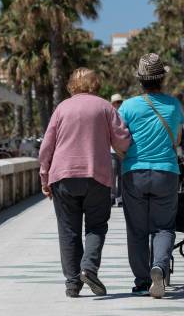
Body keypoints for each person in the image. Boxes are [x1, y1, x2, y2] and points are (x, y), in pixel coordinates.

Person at [38, 68, 131, 298]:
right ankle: (88, 268)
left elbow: (46, 147)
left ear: (72, 85)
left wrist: (44, 177)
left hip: (63, 176)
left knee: (68, 230)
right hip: (96, 176)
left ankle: (72, 284)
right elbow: (124, 140)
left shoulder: (61, 108)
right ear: (95, 84)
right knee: (96, 226)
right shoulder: (105, 107)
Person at [118, 53, 184, 299]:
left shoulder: (128, 106)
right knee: (163, 227)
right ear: (162, 80)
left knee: (137, 230)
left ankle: (142, 281)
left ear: (141, 81)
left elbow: (120, 139)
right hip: (166, 172)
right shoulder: (174, 105)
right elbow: (176, 139)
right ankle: (159, 267)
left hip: (134, 172)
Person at [110, 93, 124, 206]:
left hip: (122, 151)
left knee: (121, 176)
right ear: (112, 103)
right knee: (112, 175)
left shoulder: (124, 114)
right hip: (111, 151)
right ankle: (111, 197)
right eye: (116, 102)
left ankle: (119, 199)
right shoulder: (109, 114)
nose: (118, 104)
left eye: (120, 102)